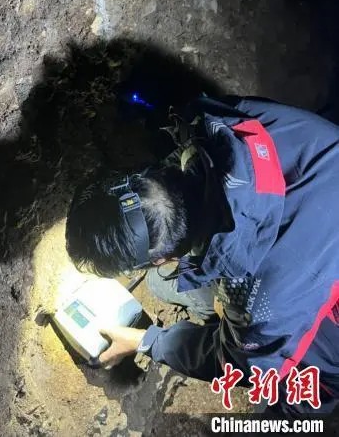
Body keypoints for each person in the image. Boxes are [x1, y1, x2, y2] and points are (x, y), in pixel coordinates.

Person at [66, 95, 339, 415]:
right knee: (163, 286)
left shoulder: (262, 306)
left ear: (160, 259)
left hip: (322, 322)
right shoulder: (228, 121)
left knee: (292, 395)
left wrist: (147, 341)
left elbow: (236, 363)